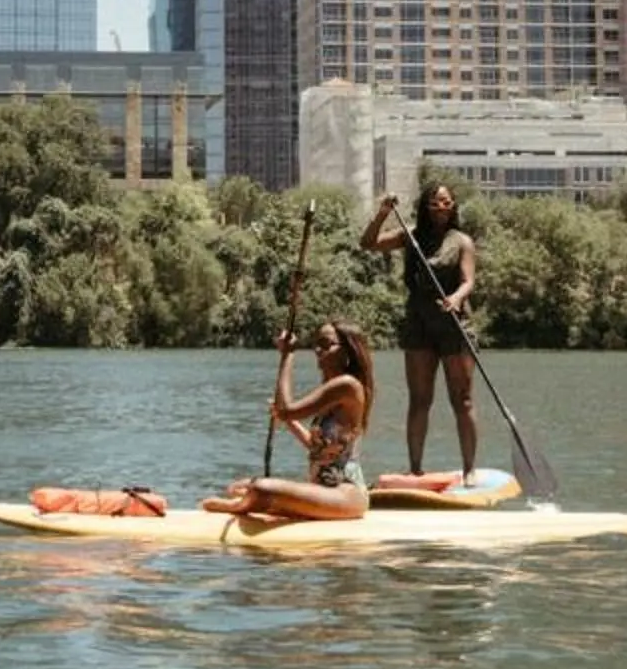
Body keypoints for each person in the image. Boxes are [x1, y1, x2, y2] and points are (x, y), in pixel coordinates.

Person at [364, 184, 479, 484]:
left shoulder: (462, 241)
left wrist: (455, 298)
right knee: (419, 400)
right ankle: (415, 468)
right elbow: (369, 243)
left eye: (446, 202)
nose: (441, 207)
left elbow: (468, 281)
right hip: (419, 324)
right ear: (425, 206)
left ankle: (470, 470)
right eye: (435, 202)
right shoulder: (410, 236)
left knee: (462, 400)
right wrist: (383, 214)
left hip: (454, 325)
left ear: (453, 206)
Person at [203, 321, 375, 521]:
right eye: (317, 344)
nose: (319, 350)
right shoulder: (332, 388)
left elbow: (287, 409)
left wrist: (288, 354)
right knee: (239, 487)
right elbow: (315, 446)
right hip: (323, 491)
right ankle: (263, 502)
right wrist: (288, 421)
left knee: (259, 487)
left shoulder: (348, 385)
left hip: (346, 494)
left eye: (327, 344)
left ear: (347, 351)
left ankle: (246, 505)